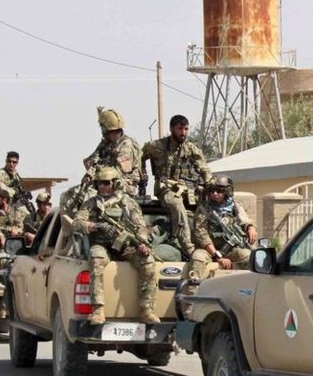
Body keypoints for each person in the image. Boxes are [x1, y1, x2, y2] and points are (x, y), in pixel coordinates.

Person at [73, 166, 159, 325]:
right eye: (99, 183)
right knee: (96, 258)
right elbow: (77, 223)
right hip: (101, 244)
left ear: (115, 183)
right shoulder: (91, 203)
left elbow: (140, 226)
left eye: (106, 183)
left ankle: (146, 310)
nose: (102, 187)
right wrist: (97, 226)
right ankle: (98, 309)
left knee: (148, 262)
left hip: (125, 245)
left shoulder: (128, 203)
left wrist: (141, 242)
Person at [142, 114, 211, 257]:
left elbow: (204, 167)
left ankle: (207, 244)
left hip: (186, 189)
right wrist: (141, 173)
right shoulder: (156, 146)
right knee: (177, 206)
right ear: (172, 128)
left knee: (207, 207)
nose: (183, 133)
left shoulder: (190, 149)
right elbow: (138, 156)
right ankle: (188, 247)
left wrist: (210, 182)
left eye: (186, 129)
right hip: (165, 188)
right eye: (180, 129)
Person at [182, 176, 257, 296]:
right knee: (198, 258)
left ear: (227, 192)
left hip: (231, 248)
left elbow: (244, 220)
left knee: (249, 257)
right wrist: (217, 256)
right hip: (208, 249)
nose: (215, 194)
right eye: (212, 191)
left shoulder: (235, 207)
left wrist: (250, 228)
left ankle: (249, 293)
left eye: (219, 191)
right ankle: (191, 301)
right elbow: (201, 234)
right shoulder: (203, 209)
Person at [83, 107, 143, 195]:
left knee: (89, 194)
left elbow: (117, 173)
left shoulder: (126, 146)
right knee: (74, 193)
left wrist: (97, 168)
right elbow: (89, 162)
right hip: (104, 182)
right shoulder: (107, 144)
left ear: (106, 129)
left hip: (122, 185)